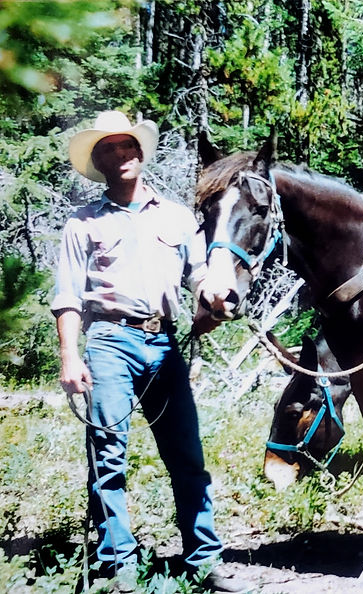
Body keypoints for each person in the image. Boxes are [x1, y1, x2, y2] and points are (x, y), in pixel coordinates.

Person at [52, 111, 249, 593]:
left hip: (163, 343)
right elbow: (68, 296)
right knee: (109, 457)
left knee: (186, 454)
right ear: (98, 162)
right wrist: (69, 356)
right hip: (108, 343)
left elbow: (199, 276)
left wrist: (214, 299)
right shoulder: (82, 224)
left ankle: (204, 561)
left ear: (140, 154)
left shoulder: (178, 217)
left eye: (127, 147)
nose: (120, 156)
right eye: (108, 150)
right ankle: (118, 563)